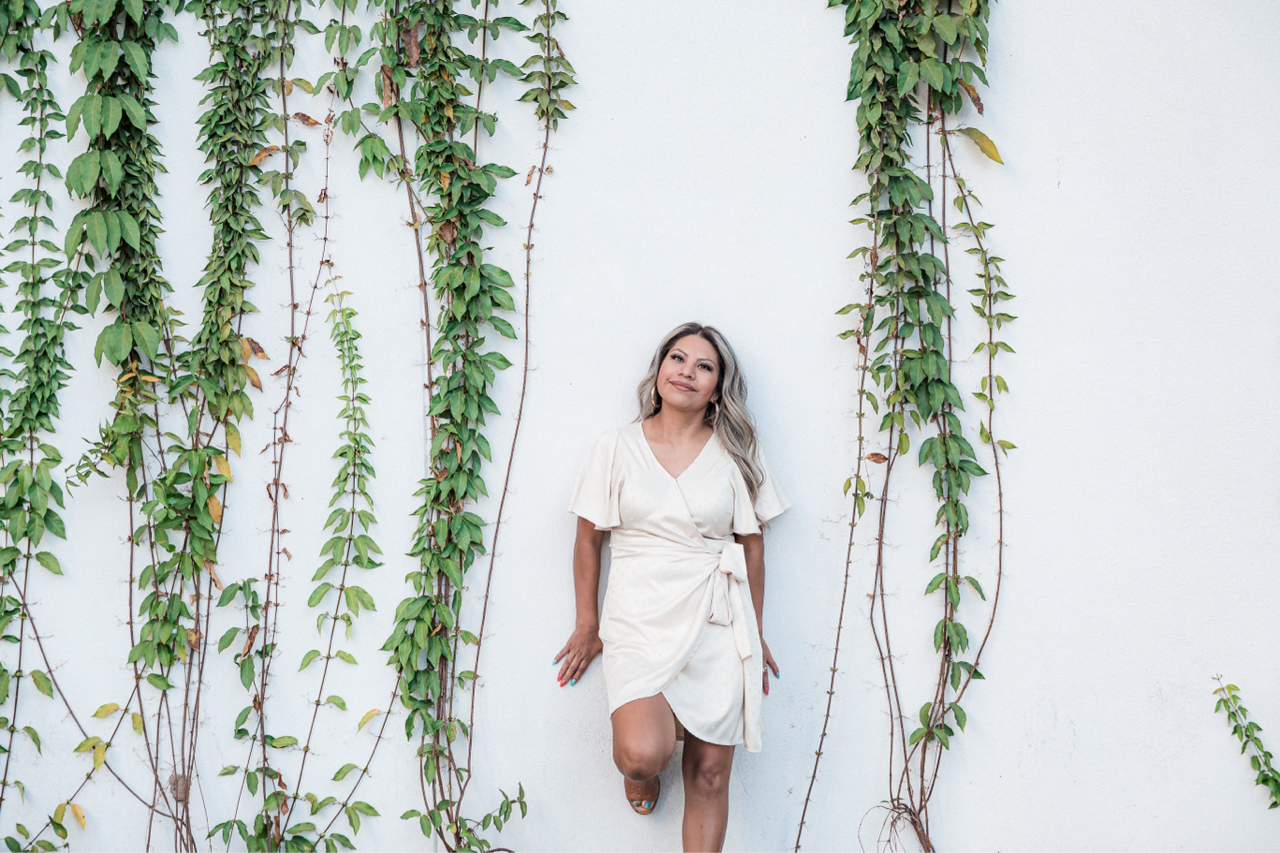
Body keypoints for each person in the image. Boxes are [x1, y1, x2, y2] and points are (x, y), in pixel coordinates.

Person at [555, 321, 789, 853]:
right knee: (641, 753)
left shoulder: (736, 455)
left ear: (717, 386)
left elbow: (752, 548)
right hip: (638, 616)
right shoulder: (615, 446)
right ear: (659, 368)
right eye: (677, 358)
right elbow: (587, 539)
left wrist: (754, 632)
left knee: (709, 775)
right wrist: (587, 625)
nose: (687, 372)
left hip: (717, 619)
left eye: (703, 366)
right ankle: (641, 776)